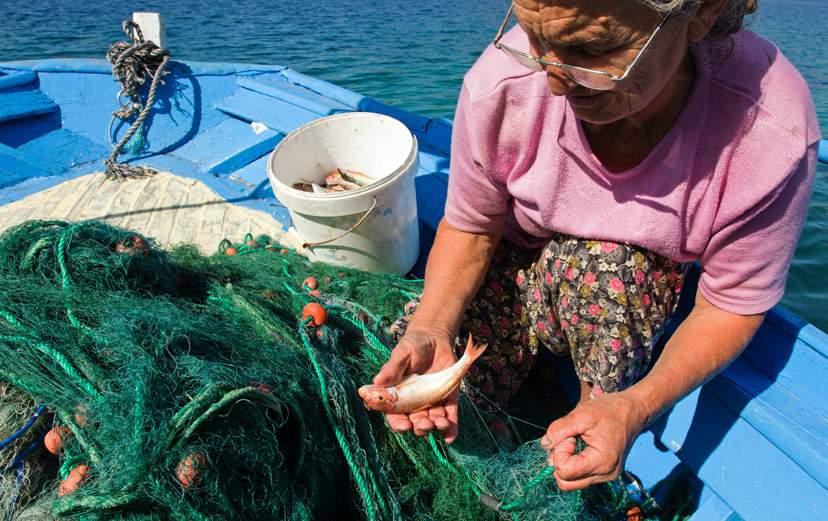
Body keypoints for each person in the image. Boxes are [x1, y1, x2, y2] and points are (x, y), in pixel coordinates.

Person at [372, 0, 820, 492]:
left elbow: (732, 303)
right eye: (534, 39)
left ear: (702, 12)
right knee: (425, 392)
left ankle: (592, 416)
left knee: (611, 265)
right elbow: (474, 227)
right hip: (516, 271)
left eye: (593, 49)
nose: (555, 81)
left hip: (616, 295)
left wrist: (635, 406)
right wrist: (432, 325)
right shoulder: (501, 83)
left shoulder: (771, 128)